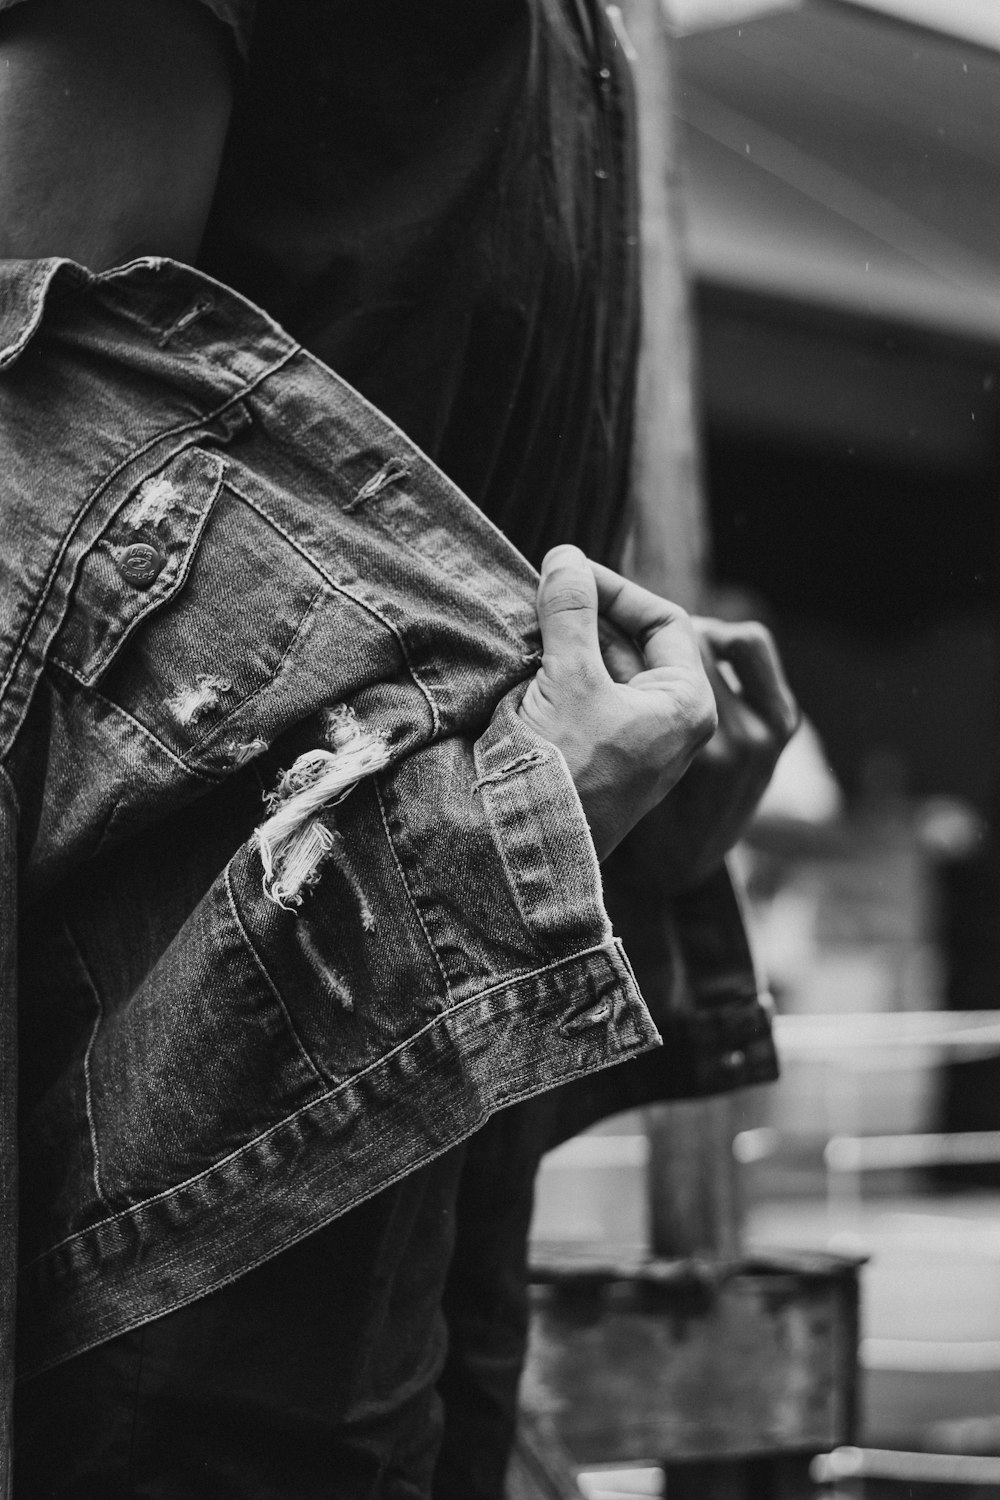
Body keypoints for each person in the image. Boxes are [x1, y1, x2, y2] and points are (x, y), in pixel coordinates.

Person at [0, 1, 798, 1494]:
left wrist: (619, 819)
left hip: (411, 1115)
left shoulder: (589, 42)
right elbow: (21, 462)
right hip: (179, 1115)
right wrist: (498, 833)